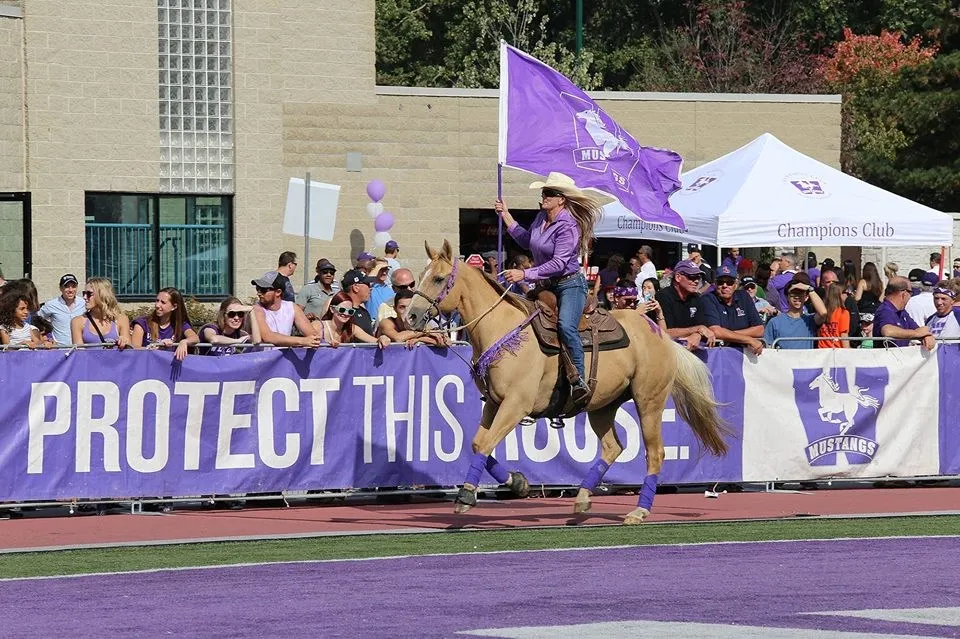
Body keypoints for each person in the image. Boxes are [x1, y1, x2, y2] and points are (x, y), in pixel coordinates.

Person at [495, 171, 600, 401]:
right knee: (521, 319)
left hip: (570, 284)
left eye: (550, 193)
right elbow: (527, 241)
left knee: (565, 326)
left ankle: (578, 379)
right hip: (547, 283)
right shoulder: (541, 218)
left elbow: (559, 263)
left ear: (561, 199)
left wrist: (525, 273)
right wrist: (506, 215)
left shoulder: (568, 226)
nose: (544, 196)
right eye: (544, 192)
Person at [697, 265, 764, 354]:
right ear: (715, 284)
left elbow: (759, 330)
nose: (725, 285)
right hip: (718, 353)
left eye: (729, 282)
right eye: (721, 282)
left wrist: (728, 335)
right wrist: (748, 339)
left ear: (735, 285)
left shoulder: (744, 296)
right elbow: (716, 331)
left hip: (744, 354)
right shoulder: (707, 299)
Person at [656, 259, 716, 351]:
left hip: (689, 354)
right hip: (665, 352)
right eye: (692, 277)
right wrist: (697, 330)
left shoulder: (695, 298)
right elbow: (665, 332)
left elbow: (704, 327)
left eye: (698, 277)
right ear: (678, 277)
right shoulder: (663, 297)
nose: (696, 281)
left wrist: (697, 334)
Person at [251, 271, 321, 348]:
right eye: (258, 289)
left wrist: (329, 342)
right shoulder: (257, 309)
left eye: (263, 290)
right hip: (263, 358)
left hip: (283, 358)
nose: (259, 293)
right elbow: (268, 336)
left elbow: (313, 335)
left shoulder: (292, 307)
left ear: (278, 292)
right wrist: (302, 341)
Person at [131, 287, 199, 361]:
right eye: (157, 301)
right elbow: (134, 349)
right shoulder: (142, 323)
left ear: (174, 307)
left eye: (163, 302)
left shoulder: (180, 324)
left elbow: (195, 338)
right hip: (147, 367)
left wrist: (184, 342)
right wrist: (154, 347)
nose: (157, 305)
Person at [873, 276, 935, 350]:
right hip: (886, 359)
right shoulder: (885, 310)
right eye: (911, 293)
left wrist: (926, 336)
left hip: (900, 359)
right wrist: (917, 334)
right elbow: (888, 331)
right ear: (905, 293)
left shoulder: (902, 312)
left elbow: (919, 330)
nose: (910, 296)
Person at [763, 279, 827, 350]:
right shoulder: (774, 322)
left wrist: (810, 289)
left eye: (800, 293)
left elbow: (823, 313)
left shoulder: (810, 320)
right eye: (793, 293)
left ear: (806, 297)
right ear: (787, 297)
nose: (797, 297)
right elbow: (767, 348)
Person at [71, 277, 131, 348]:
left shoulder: (121, 320)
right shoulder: (78, 322)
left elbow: (129, 352)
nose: (84, 297)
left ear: (102, 295)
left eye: (88, 293)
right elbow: (79, 354)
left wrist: (124, 342)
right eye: (84, 293)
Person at [376, 289, 447, 348]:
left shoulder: (419, 325)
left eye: (410, 307)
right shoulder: (386, 322)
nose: (407, 311)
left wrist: (419, 339)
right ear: (394, 309)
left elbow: (446, 341)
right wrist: (425, 332)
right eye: (402, 307)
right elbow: (398, 338)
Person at [315, 292, 390, 348]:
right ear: (332, 309)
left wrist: (382, 338)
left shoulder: (352, 328)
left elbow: (374, 340)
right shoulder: (319, 326)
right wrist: (325, 345)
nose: (345, 313)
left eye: (350, 311)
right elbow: (306, 343)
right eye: (341, 309)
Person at [37, 273, 86, 345]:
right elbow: (36, 319)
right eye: (66, 286)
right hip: (59, 350)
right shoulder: (51, 304)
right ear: (60, 288)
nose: (70, 290)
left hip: (79, 350)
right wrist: (44, 336)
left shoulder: (84, 303)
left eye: (73, 286)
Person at [340, 268, 377, 335]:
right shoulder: (342, 312)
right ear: (356, 287)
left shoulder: (364, 312)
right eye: (368, 284)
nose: (371, 289)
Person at [817, 280, 850, 348]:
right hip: (836, 352)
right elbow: (844, 336)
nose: (847, 295)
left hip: (821, 351)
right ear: (839, 294)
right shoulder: (844, 313)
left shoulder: (822, 311)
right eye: (845, 292)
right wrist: (849, 353)